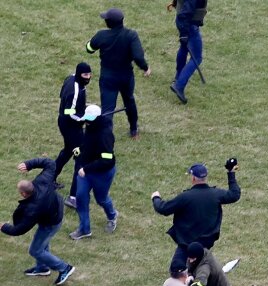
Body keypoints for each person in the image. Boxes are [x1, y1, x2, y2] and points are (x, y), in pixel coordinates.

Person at [1, 158, 75, 286]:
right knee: (41, 242)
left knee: (35, 250)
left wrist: (3, 226)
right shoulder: (43, 180)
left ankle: (64, 268)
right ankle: (42, 268)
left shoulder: (33, 209)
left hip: (51, 222)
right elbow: (50, 163)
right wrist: (28, 164)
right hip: (53, 210)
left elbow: (19, 229)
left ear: (24, 194)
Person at [151, 158, 241, 264]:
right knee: (200, 272)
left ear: (193, 178)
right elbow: (234, 195)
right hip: (206, 244)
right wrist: (231, 173)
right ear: (205, 177)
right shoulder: (215, 194)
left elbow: (163, 209)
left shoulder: (185, 197)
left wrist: (155, 198)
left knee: (178, 270)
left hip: (186, 245)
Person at [86, 8, 151, 139]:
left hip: (108, 78)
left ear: (108, 23)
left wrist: (90, 43)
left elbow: (89, 49)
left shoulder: (102, 35)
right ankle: (134, 130)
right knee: (129, 101)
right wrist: (145, 68)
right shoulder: (131, 35)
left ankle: (105, 137)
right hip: (126, 77)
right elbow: (138, 56)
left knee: (107, 109)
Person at [69, 105, 119, 240]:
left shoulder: (105, 135)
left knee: (101, 199)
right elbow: (88, 143)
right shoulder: (90, 127)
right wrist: (80, 149)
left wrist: (86, 169)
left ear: (97, 118)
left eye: (90, 120)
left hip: (102, 173)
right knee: (80, 197)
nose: (87, 122)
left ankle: (112, 216)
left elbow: (106, 160)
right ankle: (84, 229)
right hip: (85, 171)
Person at [54, 62, 92, 209]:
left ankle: (49, 178)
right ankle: (73, 197)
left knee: (68, 151)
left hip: (66, 123)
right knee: (80, 158)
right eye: (85, 75)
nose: (88, 77)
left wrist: (83, 108)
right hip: (71, 126)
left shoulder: (70, 78)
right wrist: (84, 117)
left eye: (89, 74)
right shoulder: (74, 90)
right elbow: (69, 112)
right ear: (79, 74)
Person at [167, 0, 208, 104]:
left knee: (184, 48)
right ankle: (179, 85)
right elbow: (186, 11)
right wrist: (184, 33)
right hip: (189, 24)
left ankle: (178, 78)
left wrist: (175, 3)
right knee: (197, 58)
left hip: (184, 22)